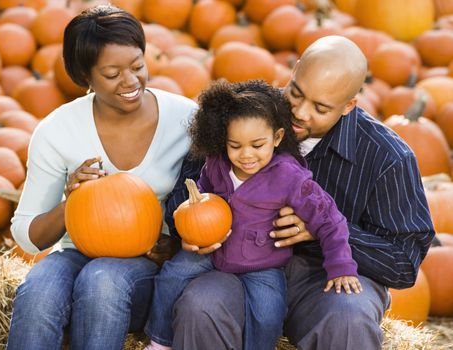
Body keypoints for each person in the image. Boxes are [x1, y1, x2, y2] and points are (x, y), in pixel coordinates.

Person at [167, 36, 435, 349]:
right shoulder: (243, 114)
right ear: (295, 71)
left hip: (324, 277)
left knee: (349, 318)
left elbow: (402, 264)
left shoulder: (387, 157)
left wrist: (321, 229)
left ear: (349, 105)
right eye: (296, 93)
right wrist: (191, 225)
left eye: (320, 107)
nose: (301, 112)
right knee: (200, 304)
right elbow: (181, 196)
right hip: (236, 267)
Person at [6, 5, 198, 350]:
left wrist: (175, 241)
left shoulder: (187, 120)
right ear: (85, 77)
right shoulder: (57, 131)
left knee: (102, 280)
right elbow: (27, 237)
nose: (130, 81)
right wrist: (71, 202)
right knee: (38, 293)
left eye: (138, 66)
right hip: (77, 251)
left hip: (148, 261)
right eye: (112, 74)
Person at [144, 80, 362, 350]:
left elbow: (329, 220)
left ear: (277, 137)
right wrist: (193, 212)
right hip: (213, 251)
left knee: (268, 313)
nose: (246, 155)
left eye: (258, 145)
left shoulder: (290, 177)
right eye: (235, 146)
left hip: (263, 264)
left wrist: (340, 265)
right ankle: (160, 341)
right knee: (171, 276)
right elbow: (203, 191)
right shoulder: (217, 163)